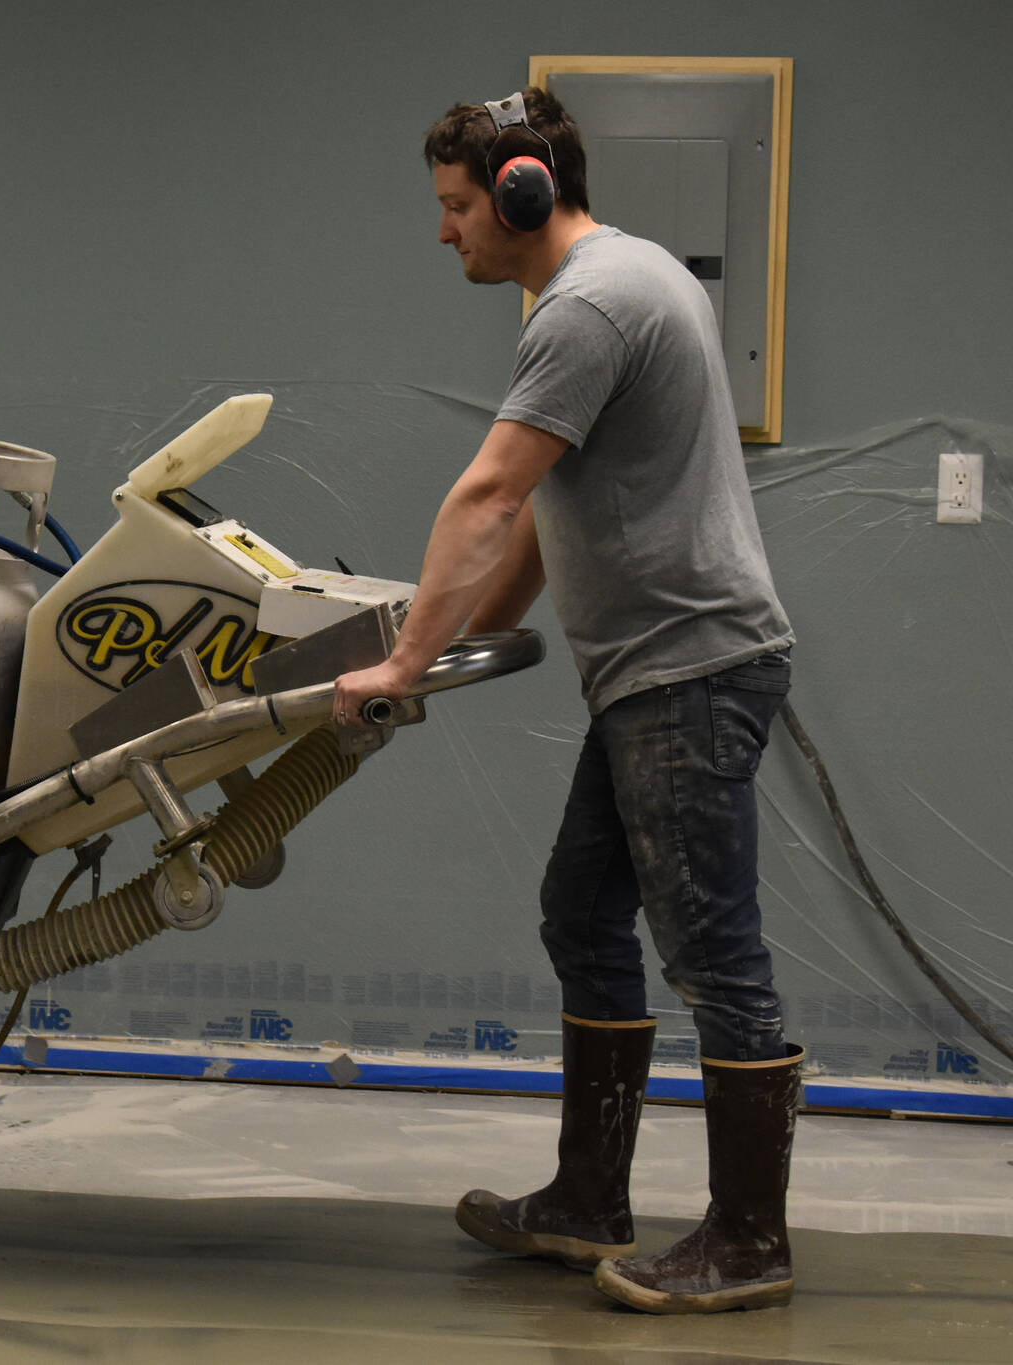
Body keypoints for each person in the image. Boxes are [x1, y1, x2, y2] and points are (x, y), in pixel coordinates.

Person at [330, 88, 801, 1314]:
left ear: (522, 190)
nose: (444, 234)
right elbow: (554, 500)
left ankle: (748, 1241)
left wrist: (395, 664)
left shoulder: (585, 308)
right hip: (661, 670)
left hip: (687, 670)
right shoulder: (635, 280)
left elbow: (487, 495)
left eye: (452, 207)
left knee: (709, 950)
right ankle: (587, 1198)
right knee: (579, 915)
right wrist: (471, 638)